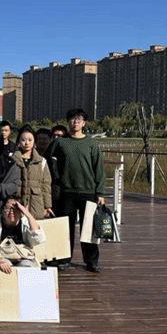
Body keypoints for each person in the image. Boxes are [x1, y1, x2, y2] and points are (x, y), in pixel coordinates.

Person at [44, 108, 106, 273]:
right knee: (66, 228)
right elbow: (46, 160)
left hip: (88, 191)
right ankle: (64, 259)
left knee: (88, 229)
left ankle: (91, 261)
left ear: (84, 123)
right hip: (66, 192)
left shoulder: (91, 143)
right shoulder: (60, 142)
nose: (75, 122)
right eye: (72, 119)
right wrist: (55, 180)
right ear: (68, 122)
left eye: (79, 119)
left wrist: (100, 193)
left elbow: (99, 169)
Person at [0, 196, 46, 274]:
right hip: (3, 256)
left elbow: (37, 240)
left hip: (24, 257)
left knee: (27, 266)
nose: (12, 212)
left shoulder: (25, 222)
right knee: (6, 267)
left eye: (16, 208)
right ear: (3, 210)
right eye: (8, 208)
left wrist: (29, 215)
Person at [13, 125, 53, 219]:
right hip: (16, 203)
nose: (27, 143)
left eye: (30, 140)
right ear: (18, 141)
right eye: (23, 140)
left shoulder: (41, 161)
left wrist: (47, 206)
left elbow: (46, 186)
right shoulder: (12, 160)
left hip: (36, 204)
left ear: (34, 141)